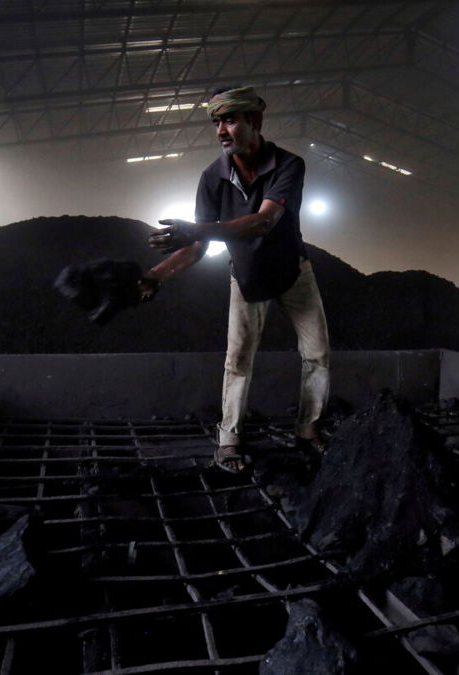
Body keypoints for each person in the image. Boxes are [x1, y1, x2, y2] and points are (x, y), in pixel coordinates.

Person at [141, 86, 330, 473]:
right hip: (246, 276)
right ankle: (228, 442)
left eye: (229, 120)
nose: (221, 131)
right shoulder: (212, 178)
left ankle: (308, 431)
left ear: (254, 122)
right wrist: (154, 275)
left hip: (294, 272)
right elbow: (196, 248)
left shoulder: (288, 164)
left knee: (317, 355)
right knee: (238, 360)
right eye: (216, 123)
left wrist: (197, 229)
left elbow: (263, 222)